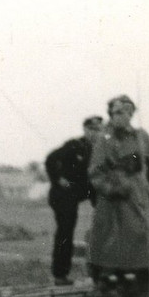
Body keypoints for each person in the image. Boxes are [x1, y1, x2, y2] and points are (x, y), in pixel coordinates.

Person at [87, 95, 149, 290]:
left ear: (131, 114)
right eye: (116, 113)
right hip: (114, 195)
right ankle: (112, 278)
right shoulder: (104, 139)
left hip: (138, 191)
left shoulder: (141, 136)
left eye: (126, 112)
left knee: (142, 233)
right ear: (110, 114)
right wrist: (110, 188)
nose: (121, 117)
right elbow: (95, 172)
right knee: (114, 238)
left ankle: (141, 275)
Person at [44, 116, 104, 285]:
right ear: (85, 130)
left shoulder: (100, 149)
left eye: (99, 129)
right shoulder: (74, 145)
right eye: (92, 129)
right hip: (62, 193)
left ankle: (102, 270)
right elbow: (50, 159)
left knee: (105, 221)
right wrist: (58, 179)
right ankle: (60, 275)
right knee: (66, 230)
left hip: (85, 191)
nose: (95, 133)